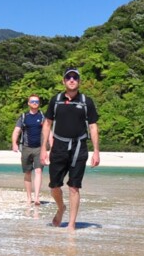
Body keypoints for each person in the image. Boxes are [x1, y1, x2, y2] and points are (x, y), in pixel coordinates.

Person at [41, 68, 100, 230]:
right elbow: (47, 124)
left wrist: (96, 151)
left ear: (79, 81)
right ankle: (61, 208)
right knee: (54, 186)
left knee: (74, 187)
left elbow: (93, 126)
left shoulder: (86, 102)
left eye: (75, 77)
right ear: (64, 81)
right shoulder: (56, 100)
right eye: (69, 77)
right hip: (58, 146)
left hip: (79, 147)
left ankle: (72, 225)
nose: (72, 80)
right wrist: (43, 149)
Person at [12, 94, 46, 206]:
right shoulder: (23, 117)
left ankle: (36, 198)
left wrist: (51, 145)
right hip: (26, 148)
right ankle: (28, 197)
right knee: (27, 172)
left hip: (39, 148)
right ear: (28, 103)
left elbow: (48, 131)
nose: (35, 103)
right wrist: (14, 143)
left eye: (37, 101)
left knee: (38, 171)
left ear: (39, 103)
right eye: (32, 101)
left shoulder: (42, 116)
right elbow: (16, 131)